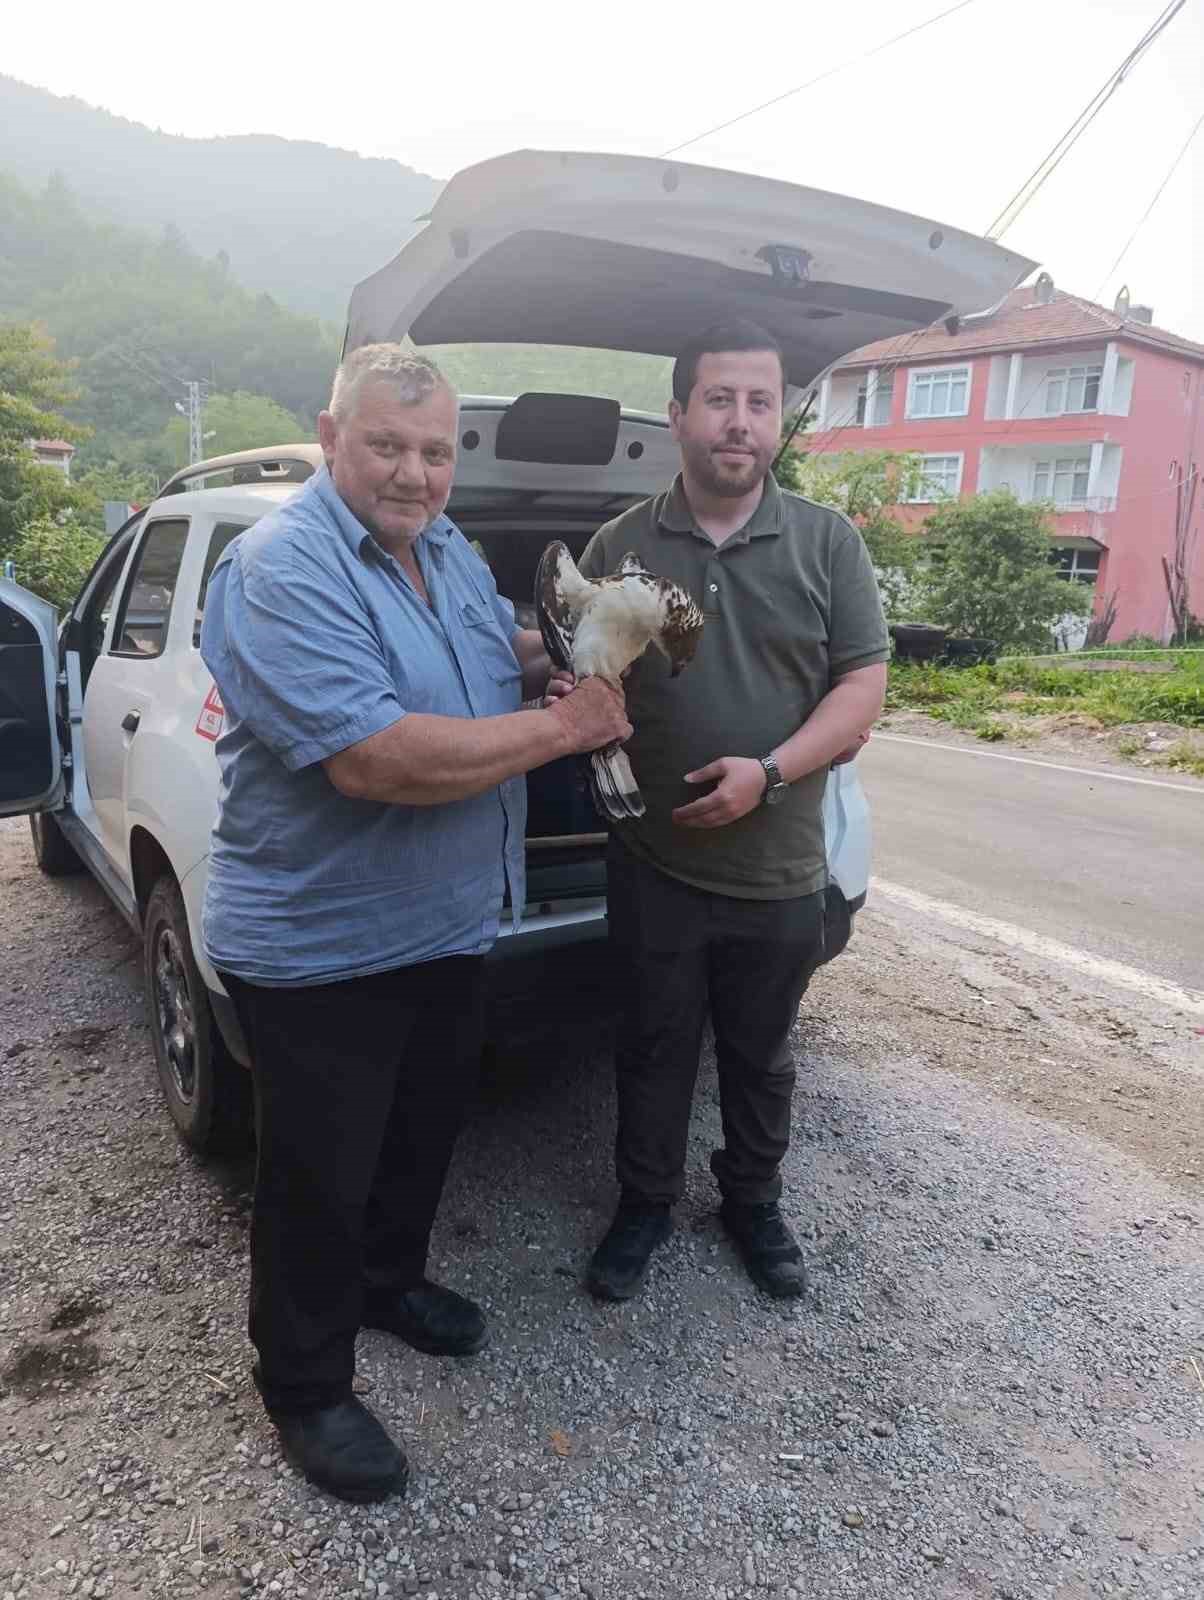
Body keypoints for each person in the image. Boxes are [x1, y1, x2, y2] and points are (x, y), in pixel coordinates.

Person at [199, 345, 629, 1502]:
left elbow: (503, 649)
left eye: (434, 451)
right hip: (319, 948)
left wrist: (591, 645)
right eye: (386, 445)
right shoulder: (281, 568)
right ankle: (304, 1386)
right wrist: (568, 728)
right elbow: (374, 758)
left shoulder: (439, 546)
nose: (413, 473)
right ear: (329, 436)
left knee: (419, 1134)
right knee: (317, 1175)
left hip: (447, 926)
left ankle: (386, 1284)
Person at [578, 320, 887, 1304]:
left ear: (778, 420)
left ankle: (751, 1202)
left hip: (780, 868)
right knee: (652, 1045)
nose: (739, 422)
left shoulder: (827, 543)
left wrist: (770, 770)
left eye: (759, 402)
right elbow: (589, 676)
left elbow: (860, 689)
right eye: (720, 400)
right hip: (653, 862)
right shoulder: (620, 543)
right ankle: (644, 1203)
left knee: (761, 1057)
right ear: (678, 415)